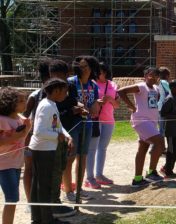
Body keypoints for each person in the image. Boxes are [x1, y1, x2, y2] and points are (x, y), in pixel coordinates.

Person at [30, 78, 73, 224]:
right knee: (44, 186)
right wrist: (58, 136)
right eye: (64, 91)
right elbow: (39, 131)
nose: (66, 94)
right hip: (43, 150)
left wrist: (67, 135)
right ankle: (45, 220)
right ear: (56, 91)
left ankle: (39, 218)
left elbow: (57, 125)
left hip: (47, 148)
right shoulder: (46, 106)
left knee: (40, 185)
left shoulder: (52, 104)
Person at [61, 56, 100, 202]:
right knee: (69, 157)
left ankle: (79, 189)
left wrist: (96, 104)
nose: (83, 69)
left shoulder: (93, 85)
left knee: (82, 157)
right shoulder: (71, 82)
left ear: (91, 67)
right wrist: (77, 106)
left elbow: (94, 101)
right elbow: (65, 101)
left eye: (86, 66)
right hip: (72, 124)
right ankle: (68, 191)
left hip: (87, 123)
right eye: (81, 66)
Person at [118, 67, 165, 187]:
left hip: (151, 122)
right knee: (160, 142)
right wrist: (131, 106)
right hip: (141, 121)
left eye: (156, 75)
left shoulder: (155, 88)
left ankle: (137, 179)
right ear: (146, 75)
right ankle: (151, 172)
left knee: (143, 148)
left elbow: (153, 102)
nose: (154, 77)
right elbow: (121, 91)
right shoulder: (141, 86)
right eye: (152, 75)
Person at [22, 59, 51, 210]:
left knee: (45, 170)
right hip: (33, 137)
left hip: (49, 139)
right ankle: (30, 202)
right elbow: (24, 116)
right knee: (29, 169)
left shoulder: (58, 95)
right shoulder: (35, 95)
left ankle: (44, 201)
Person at [86, 63, 119, 189]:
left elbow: (117, 105)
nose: (100, 74)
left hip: (109, 120)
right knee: (92, 149)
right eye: (98, 72)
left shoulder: (113, 85)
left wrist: (110, 99)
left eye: (101, 71)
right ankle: (89, 178)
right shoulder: (91, 84)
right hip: (95, 119)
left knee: (103, 148)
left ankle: (99, 175)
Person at [0, 87, 31, 224]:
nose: (25, 103)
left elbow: (23, 136)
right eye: (21, 101)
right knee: (12, 199)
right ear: (10, 103)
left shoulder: (20, 119)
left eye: (25, 100)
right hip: (4, 165)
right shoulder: (2, 120)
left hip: (17, 163)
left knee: (13, 199)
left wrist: (27, 127)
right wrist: (17, 136)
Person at [159, 80, 176, 178]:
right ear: (172, 88)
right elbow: (163, 114)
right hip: (170, 130)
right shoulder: (169, 99)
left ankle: (167, 167)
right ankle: (168, 172)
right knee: (171, 151)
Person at [157, 67, 171, 148]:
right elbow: (171, 92)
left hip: (158, 106)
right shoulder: (164, 82)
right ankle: (161, 147)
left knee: (160, 127)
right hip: (164, 106)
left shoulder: (157, 82)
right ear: (166, 75)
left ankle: (160, 146)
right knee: (162, 129)